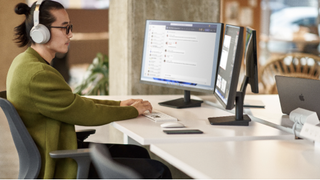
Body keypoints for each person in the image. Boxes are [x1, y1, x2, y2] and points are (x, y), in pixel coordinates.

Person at [7, 0, 171, 179]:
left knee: (138, 153)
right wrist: (131, 111)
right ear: (41, 33)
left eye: (70, 27)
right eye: (64, 28)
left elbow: (73, 102)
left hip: (59, 150)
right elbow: (85, 112)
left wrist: (119, 104)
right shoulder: (38, 74)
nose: (71, 35)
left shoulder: (25, 62)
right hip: (60, 165)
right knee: (159, 171)